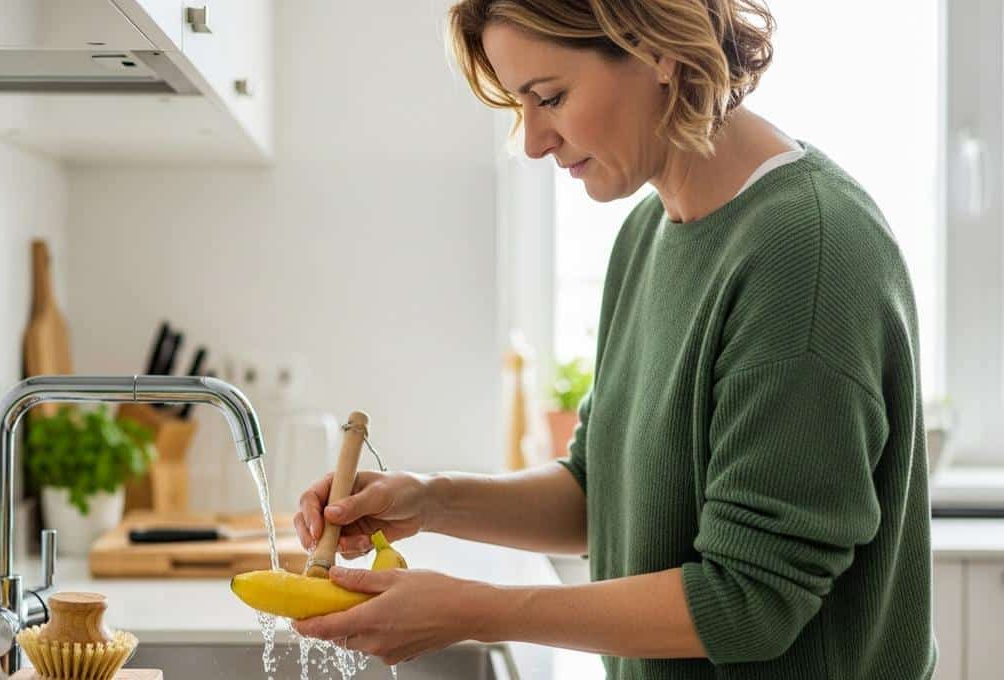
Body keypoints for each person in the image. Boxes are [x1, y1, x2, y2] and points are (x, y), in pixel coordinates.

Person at [292, 1, 936, 677]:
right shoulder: (650, 233)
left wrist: (476, 609)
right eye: (522, 105)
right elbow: (597, 494)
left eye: (551, 97)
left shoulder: (807, 255)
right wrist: (426, 499)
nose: (534, 140)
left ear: (658, 49)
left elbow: (751, 603)